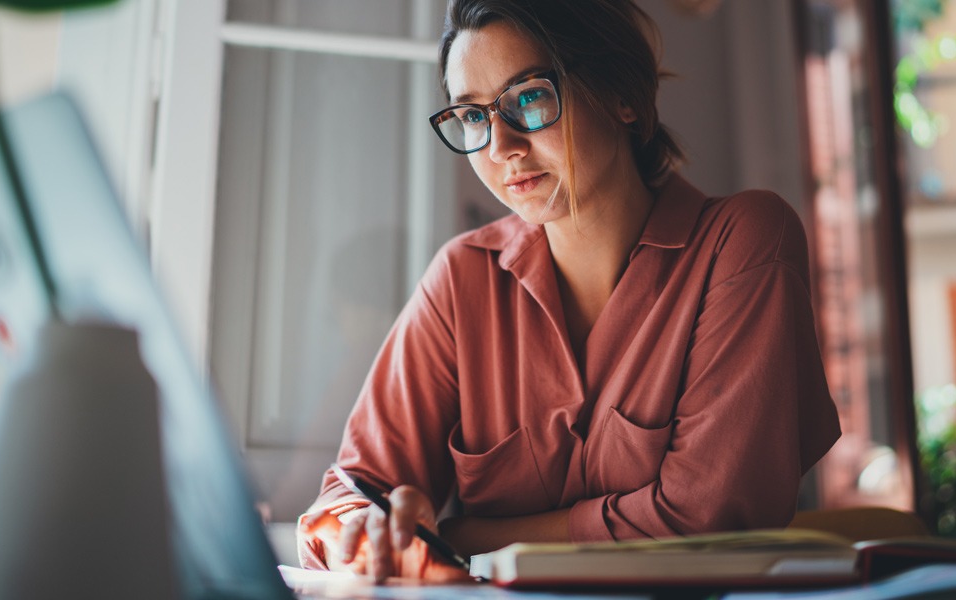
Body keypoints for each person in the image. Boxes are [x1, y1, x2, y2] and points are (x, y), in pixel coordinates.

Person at [297, 0, 841, 581]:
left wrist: (464, 536)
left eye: (529, 96)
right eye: (472, 116)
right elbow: (349, 495)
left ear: (622, 95)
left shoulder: (744, 242)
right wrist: (366, 532)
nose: (500, 146)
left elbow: (707, 519)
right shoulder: (461, 281)